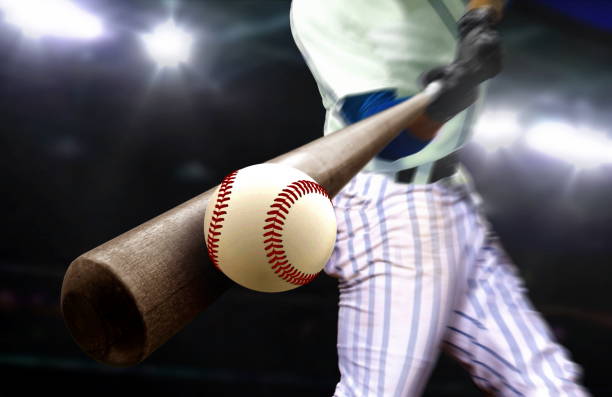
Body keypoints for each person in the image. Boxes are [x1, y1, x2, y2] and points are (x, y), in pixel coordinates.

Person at [290, 0, 589, 395]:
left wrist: (478, 19)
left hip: (452, 190)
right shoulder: (324, 8)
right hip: (392, 204)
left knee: (547, 383)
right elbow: (390, 140)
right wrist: (456, 90)